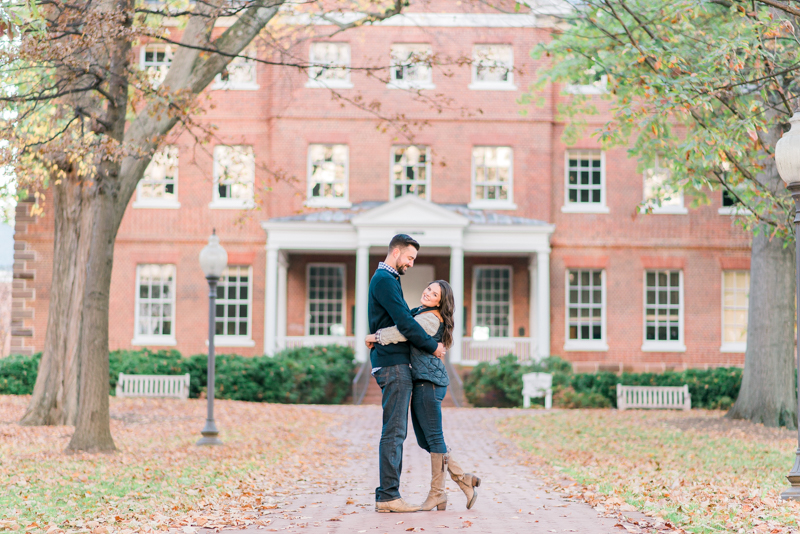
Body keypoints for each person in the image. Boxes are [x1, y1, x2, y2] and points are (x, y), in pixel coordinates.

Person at [367, 280, 481, 511]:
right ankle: (463, 480)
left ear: (441, 301)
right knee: (425, 440)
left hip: (429, 383)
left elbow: (404, 331)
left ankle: (438, 494)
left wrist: (375, 337)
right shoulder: (421, 311)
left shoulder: (429, 317)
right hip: (422, 381)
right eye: (428, 289)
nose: (428, 293)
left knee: (434, 439)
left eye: (435, 293)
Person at [368, 234, 446, 513]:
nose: (412, 264)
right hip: (392, 365)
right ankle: (388, 495)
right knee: (394, 432)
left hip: (390, 361)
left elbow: (406, 317)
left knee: (396, 431)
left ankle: (388, 494)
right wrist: (433, 346)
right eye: (410, 258)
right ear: (397, 252)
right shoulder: (385, 280)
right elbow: (405, 324)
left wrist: (376, 336)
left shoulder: (388, 279)